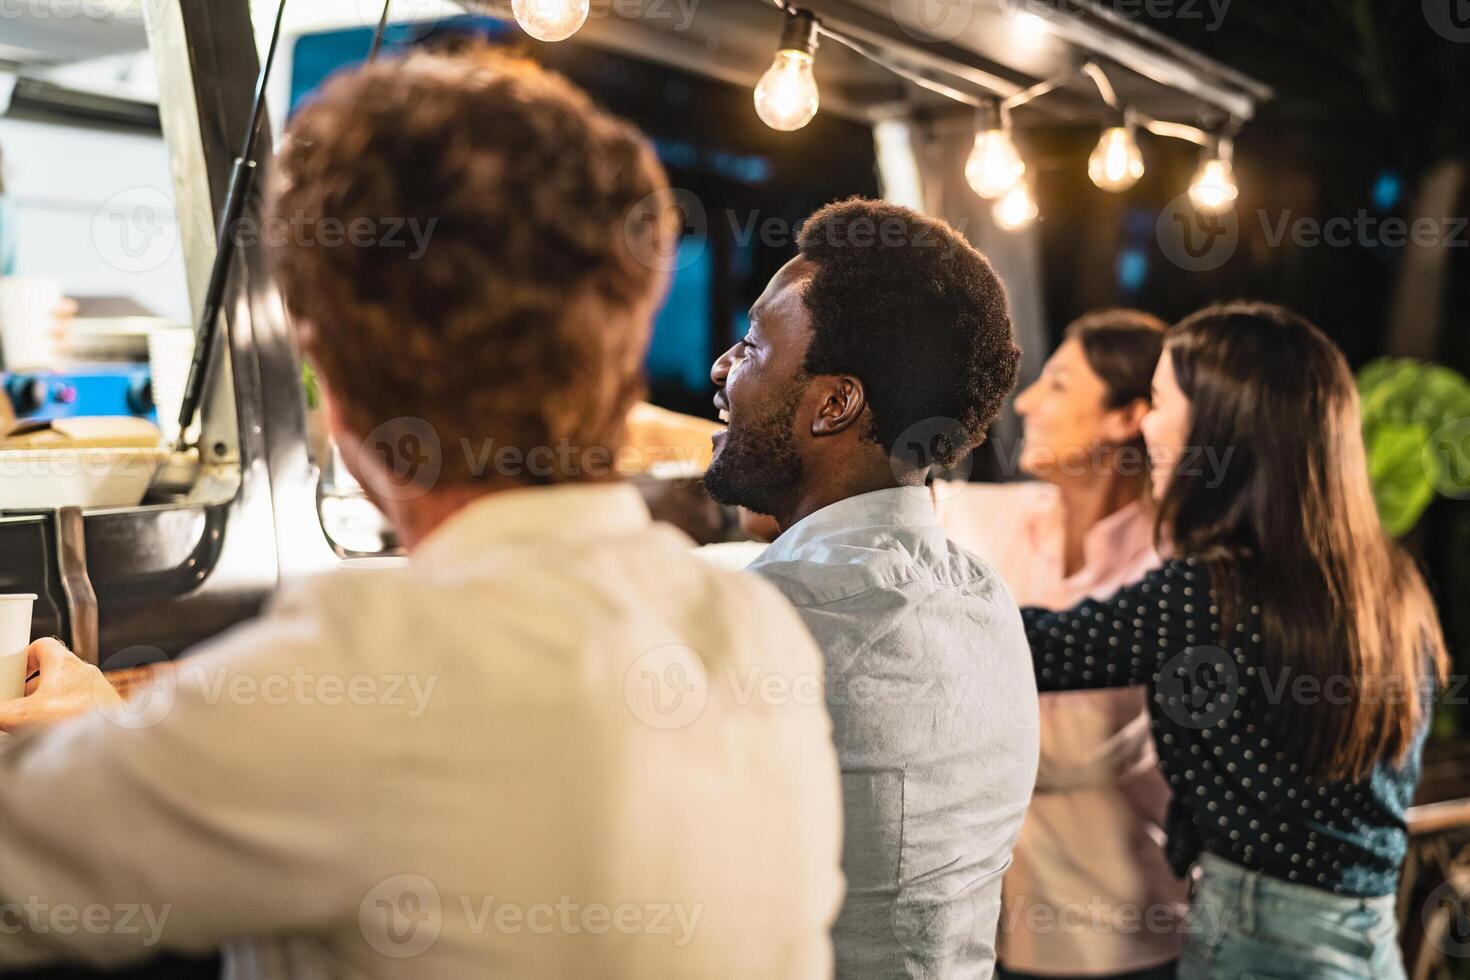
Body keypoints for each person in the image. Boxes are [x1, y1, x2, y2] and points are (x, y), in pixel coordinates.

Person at [0, 49, 845, 979]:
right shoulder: (757, 632)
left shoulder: (372, 659)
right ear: (622, 341)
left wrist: (100, 739)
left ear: (331, 369)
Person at [1020, 302, 1447, 980]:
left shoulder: (1209, 592)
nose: (1146, 427)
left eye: (1159, 401)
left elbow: (1036, 649)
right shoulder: (1391, 585)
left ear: (1220, 427)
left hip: (1260, 939)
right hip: (1369, 938)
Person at [704, 197, 1041, 979]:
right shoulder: (981, 594)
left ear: (835, 405)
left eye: (753, 345)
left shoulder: (783, 622)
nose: (723, 365)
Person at [935, 310, 1188, 980]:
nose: (1026, 403)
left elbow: (1081, 749)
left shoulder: (1173, 564)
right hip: (1004, 942)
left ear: (1126, 415)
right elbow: (853, 511)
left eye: (1058, 386)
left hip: (1134, 939)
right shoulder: (992, 516)